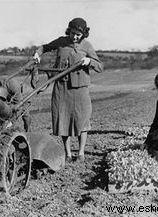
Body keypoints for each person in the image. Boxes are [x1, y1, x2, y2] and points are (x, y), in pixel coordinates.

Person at [33, 17, 103, 163]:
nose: (75, 37)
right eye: (72, 33)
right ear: (68, 31)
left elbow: (99, 66)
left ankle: (81, 153)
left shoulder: (87, 46)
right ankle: (68, 153)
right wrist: (37, 54)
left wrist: (90, 61)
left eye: (78, 34)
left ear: (84, 34)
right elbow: (44, 47)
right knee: (63, 120)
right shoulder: (61, 42)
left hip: (80, 89)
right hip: (61, 87)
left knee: (82, 121)